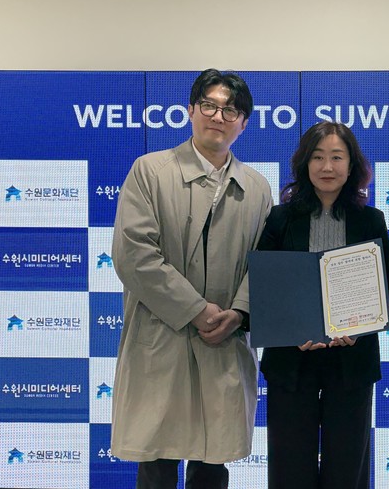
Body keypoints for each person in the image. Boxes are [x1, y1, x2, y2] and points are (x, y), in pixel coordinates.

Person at [110, 69, 273, 489]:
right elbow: (134, 255)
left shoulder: (256, 187)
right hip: (160, 339)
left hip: (224, 343)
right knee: (157, 462)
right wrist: (196, 310)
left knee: (212, 464)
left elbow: (264, 263)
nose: (218, 116)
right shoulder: (150, 171)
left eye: (231, 110)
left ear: (243, 123)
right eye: (209, 105)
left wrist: (239, 312)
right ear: (190, 110)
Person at [257, 121, 389, 489]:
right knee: (289, 469)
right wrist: (292, 330)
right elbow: (265, 287)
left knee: (347, 469)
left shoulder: (371, 220)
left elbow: (384, 287)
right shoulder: (280, 218)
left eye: (337, 157)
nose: (327, 167)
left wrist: (359, 326)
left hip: (351, 360)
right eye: (317, 157)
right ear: (304, 164)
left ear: (352, 165)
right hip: (292, 360)